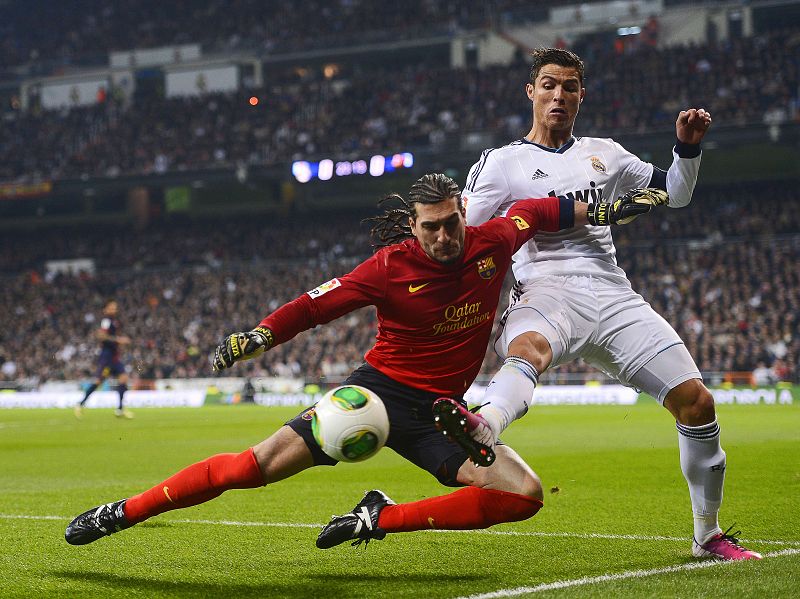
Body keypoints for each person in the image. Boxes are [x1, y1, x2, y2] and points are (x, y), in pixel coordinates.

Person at [64, 173, 660, 548]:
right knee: (252, 468)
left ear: (461, 214)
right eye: (433, 228)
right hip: (375, 394)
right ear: (413, 227)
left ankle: (379, 518)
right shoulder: (389, 267)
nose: (447, 237)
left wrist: (611, 210)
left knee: (522, 495)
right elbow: (312, 307)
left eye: (453, 222)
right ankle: (122, 511)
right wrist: (258, 336)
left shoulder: (493, 240)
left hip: (443, 413)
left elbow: (546, 209)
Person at [444, 47, 760, 560]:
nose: (558, 96)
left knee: (698, 403)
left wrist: (686, 149)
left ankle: (708, 535)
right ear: (531, 92)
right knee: (527, 346)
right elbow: (468, 236)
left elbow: (675, 194)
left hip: (613, 294)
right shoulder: (501, 164)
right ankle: (486, 427)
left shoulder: (605, 153)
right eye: (548, 85)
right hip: (545, 287)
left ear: (581, 96)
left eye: (569, 87)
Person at [74, 300, 133, 419]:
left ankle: (120, 409)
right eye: (111, 308)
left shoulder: (115, 322)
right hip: (107, 358)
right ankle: (80, 404)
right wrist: (118, 340)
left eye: (115, 308)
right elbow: (100, 336)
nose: (114, 310)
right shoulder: (106, 321)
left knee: (123, 378)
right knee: (98, 382)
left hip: (115, 358)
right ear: (105, 309)